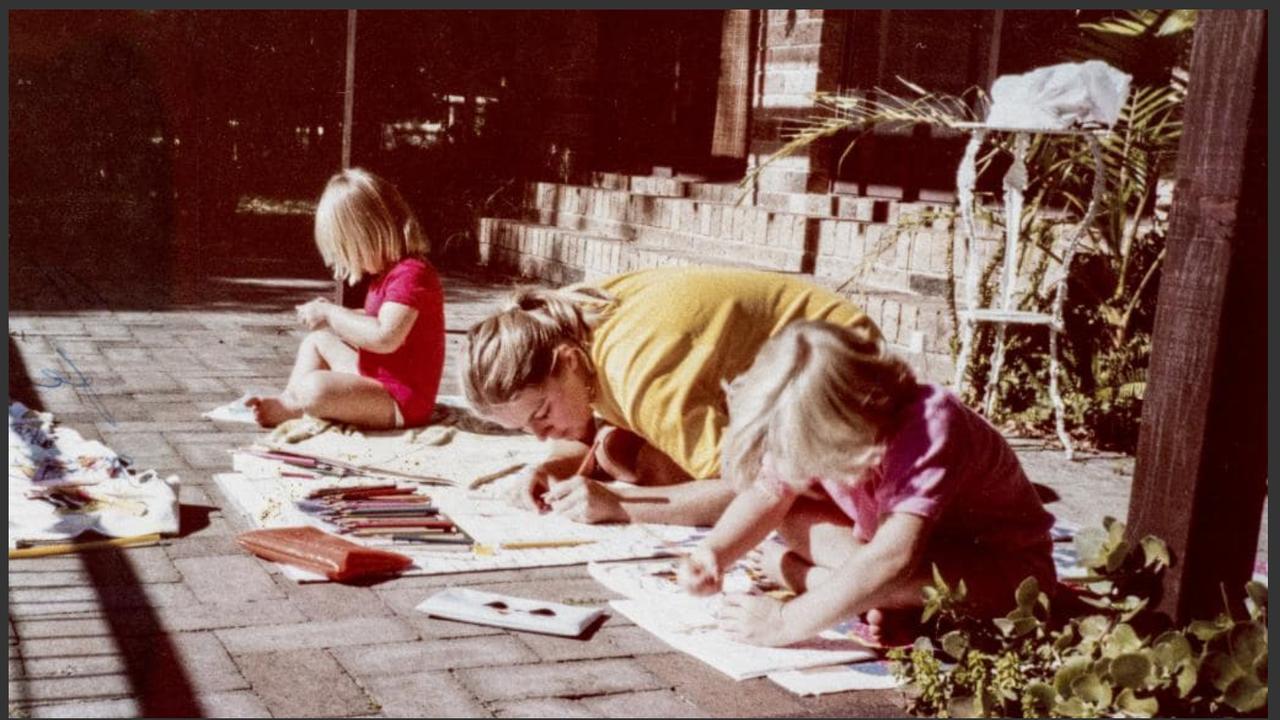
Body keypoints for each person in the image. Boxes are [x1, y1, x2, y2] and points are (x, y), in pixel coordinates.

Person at [676, 320, 1056, 647]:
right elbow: (768, 494)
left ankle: (814, 580)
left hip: (1000, 570)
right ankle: (869, 599)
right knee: (790, 515)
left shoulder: (928, 425)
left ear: (850, 421)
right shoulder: (824, 416)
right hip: (890, 552)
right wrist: (715, 552)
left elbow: (893, 560)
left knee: (887, 577)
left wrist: (784, 621)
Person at [460, 266, 881, 526]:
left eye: (543, 415)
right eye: (527, 429)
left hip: (849, 376)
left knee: (780, 518)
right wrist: (554, 464)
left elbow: (751, 489)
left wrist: (625, 507)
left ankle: (878, 582)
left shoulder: (638, 375)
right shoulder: (562, 321)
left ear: (568, 360)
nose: (541, 434)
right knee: (622, 451)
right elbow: (570, 418)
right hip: (804, 360)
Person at [249, 168, 445, 430]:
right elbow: (377, 321)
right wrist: (339, 319)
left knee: (315, 387)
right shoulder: (386, 275)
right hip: (377, 378)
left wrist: (331, 313)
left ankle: (301, 401)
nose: (348, 262)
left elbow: (385, 337)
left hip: (402, 400)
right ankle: (289, 404)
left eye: (346, 250)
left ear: (368, 234)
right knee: (317, 342)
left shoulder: (412, 274)